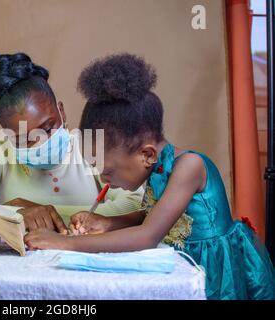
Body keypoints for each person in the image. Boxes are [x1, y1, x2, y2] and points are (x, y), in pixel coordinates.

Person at [24, 53, 275, 300]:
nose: (104, 180)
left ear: (146, 154)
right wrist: (107, 222)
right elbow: (155, 216)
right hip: (182, 261)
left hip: (212, 270)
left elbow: (148, 235)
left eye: (108, 171)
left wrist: (63, 243)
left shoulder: (189, 167)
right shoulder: (156, 167)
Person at [0, 52, 143, 232]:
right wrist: (11, 214)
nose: (40, 143)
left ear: (61, 112)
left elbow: (137, 203)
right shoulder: (1, 153)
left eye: (48, 128)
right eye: (24, 140)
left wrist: (50, 213)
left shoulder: (89, 146)